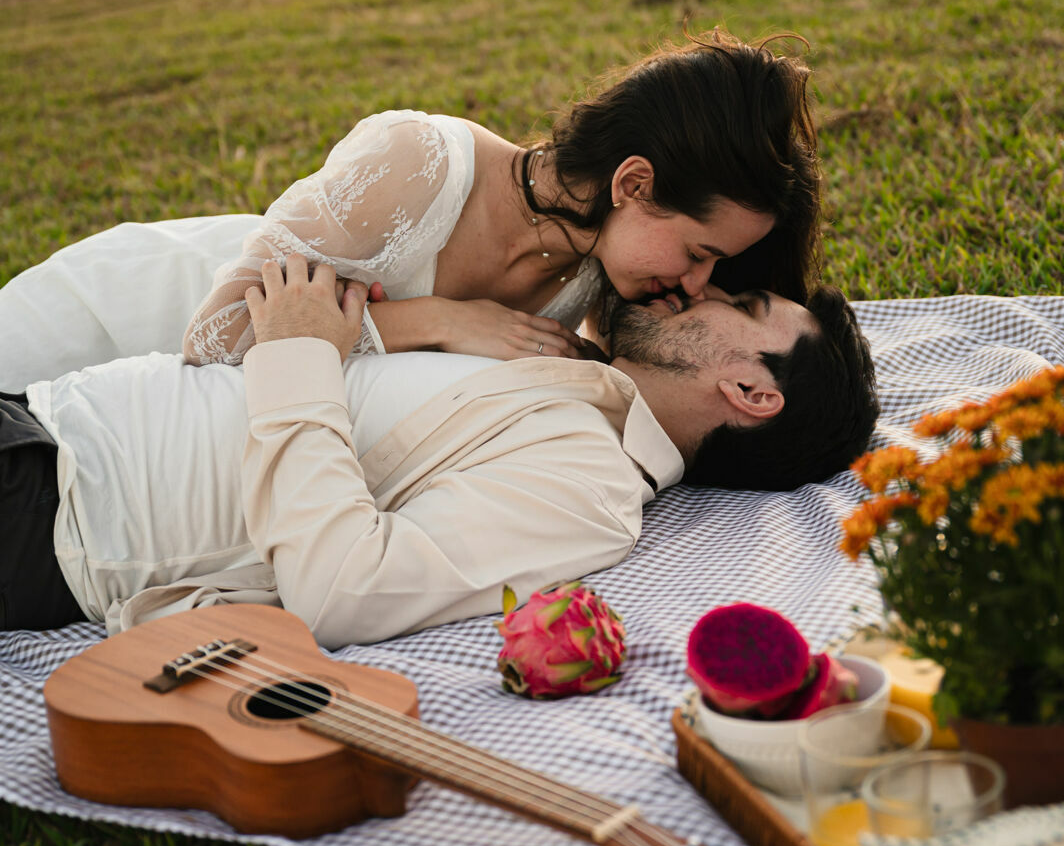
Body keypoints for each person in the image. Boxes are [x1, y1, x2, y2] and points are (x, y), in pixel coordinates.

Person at [1, 258, 877, 643]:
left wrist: (298, 352)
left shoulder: (591, 489)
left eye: (744, 302)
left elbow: (343, 590)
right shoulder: (567, 370)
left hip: (55, 508)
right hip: (48, 410)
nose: (706, 288)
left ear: (754, 393)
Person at [0, 31, 821, 392]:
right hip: (130, 318)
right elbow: (213, 345)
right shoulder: (416, 162)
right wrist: (437, 320)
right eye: (700, 252)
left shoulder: (599, 278)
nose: (696, 280)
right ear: (634, 184)